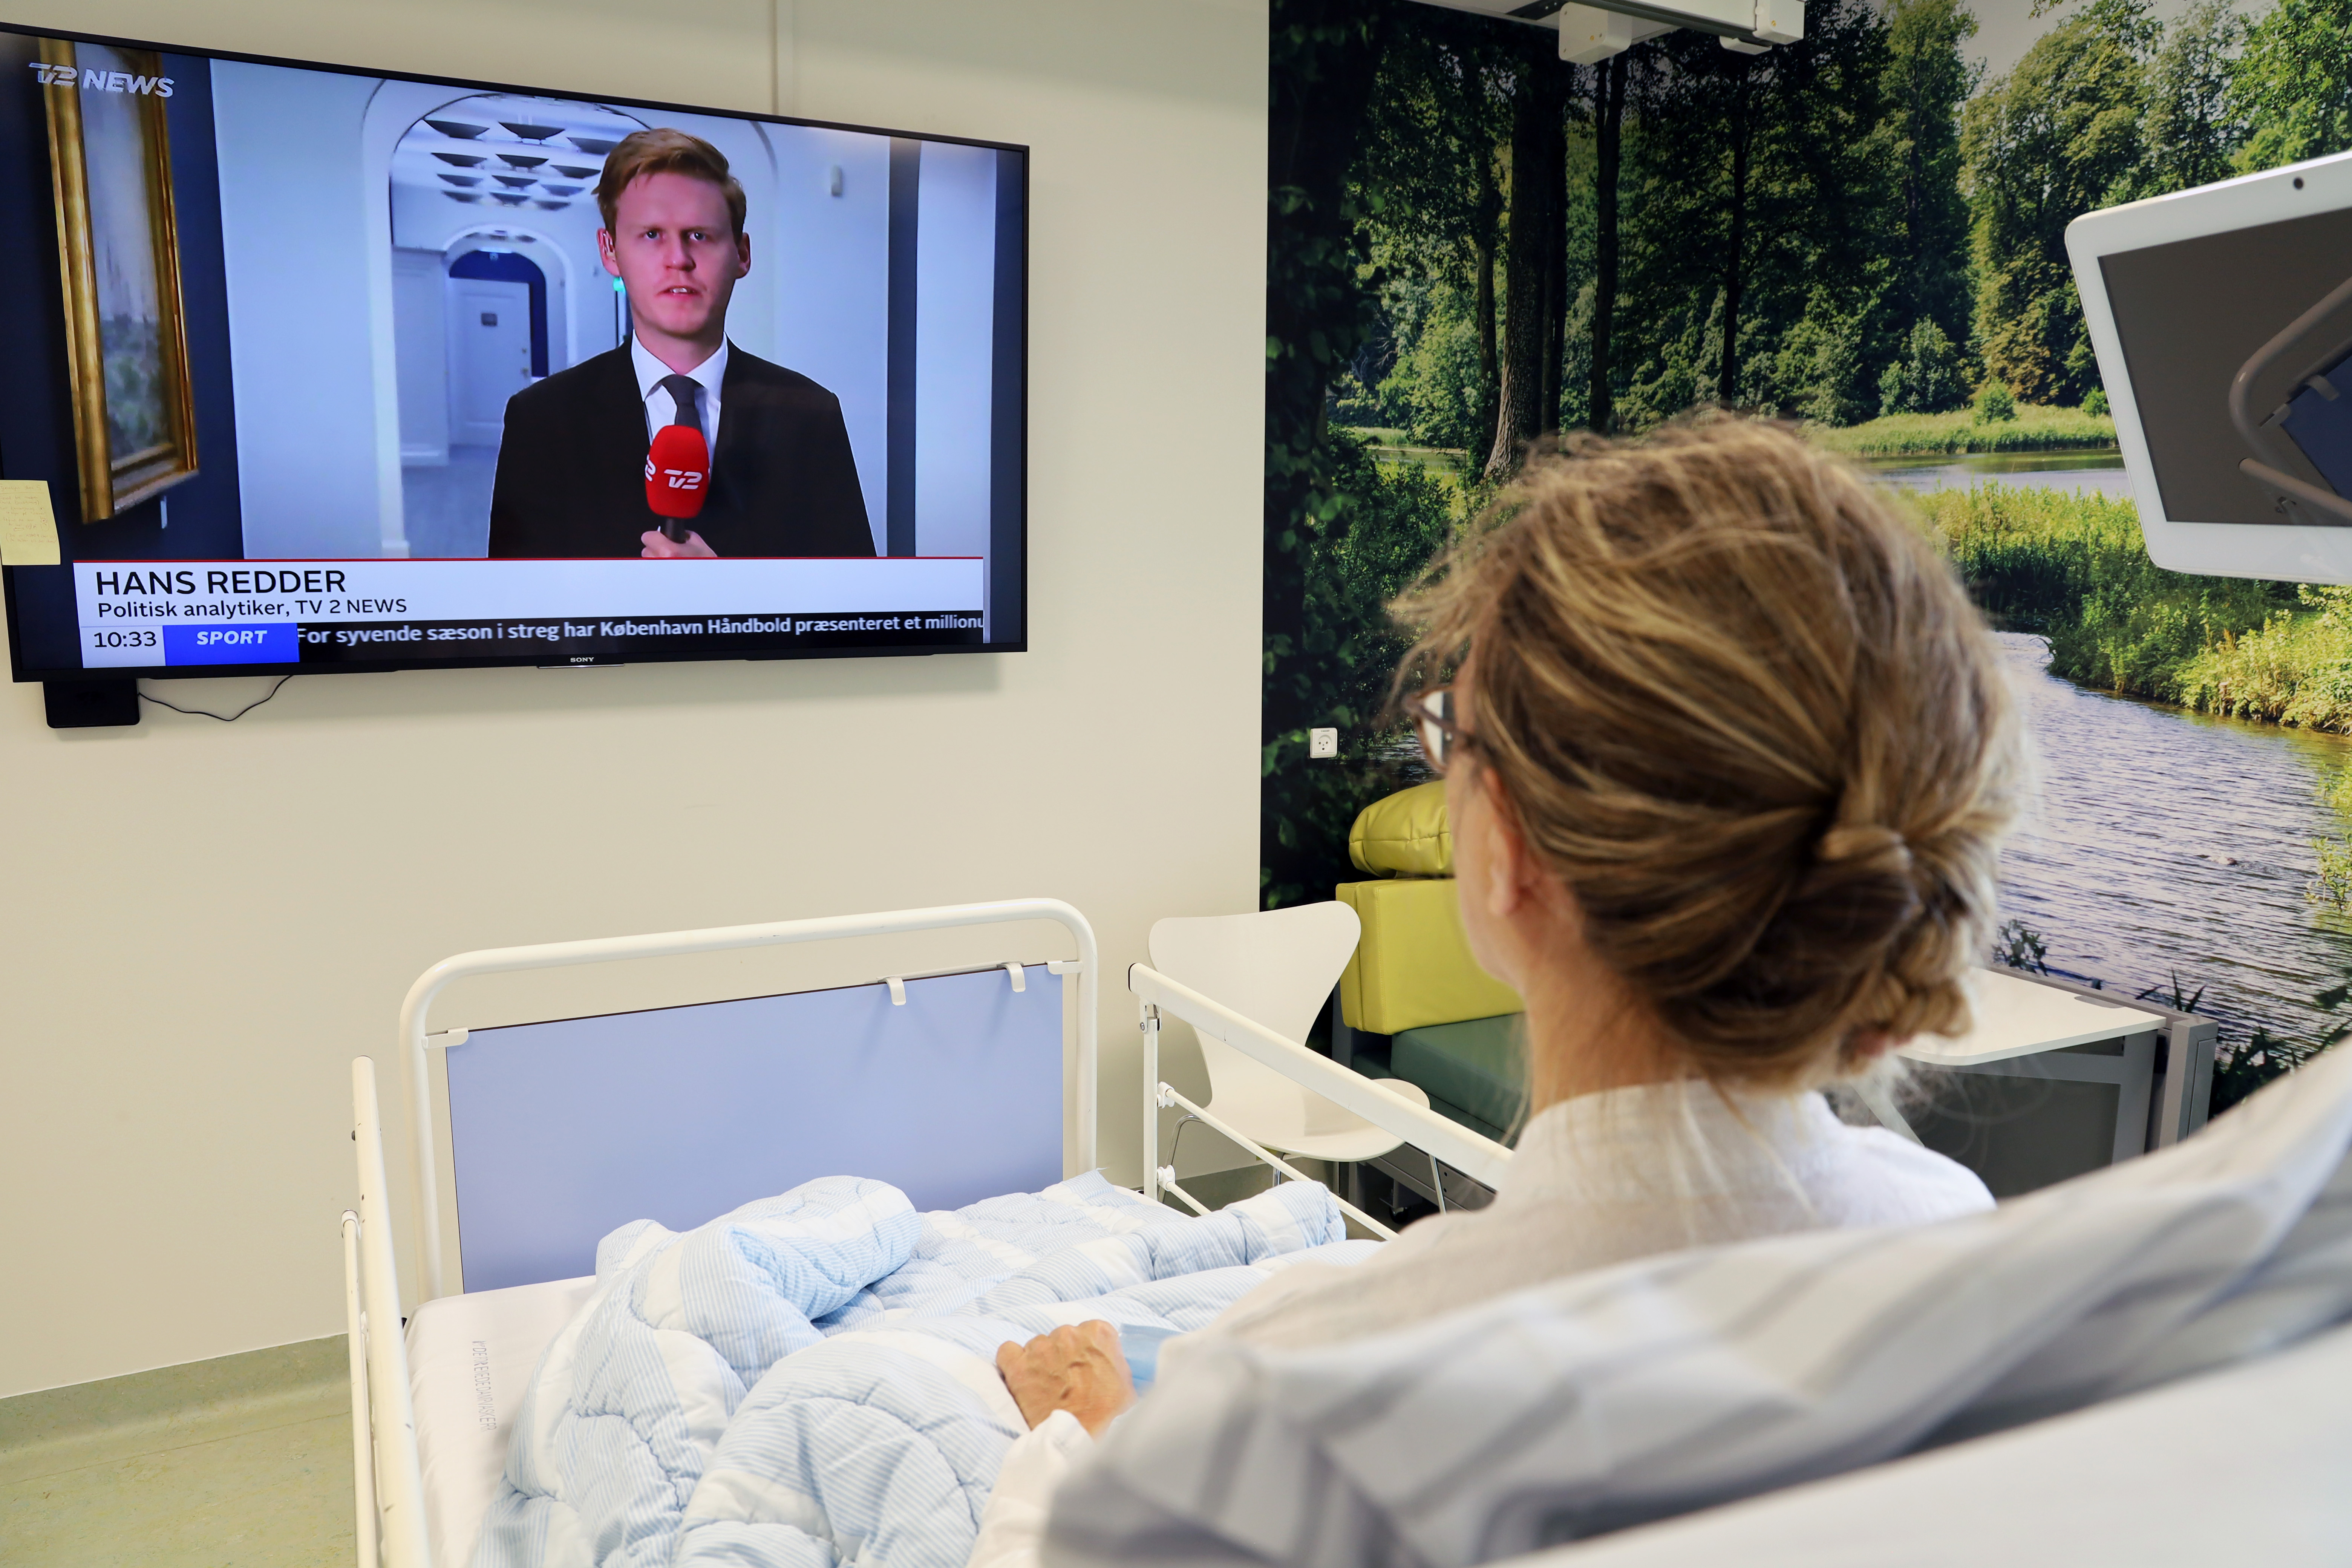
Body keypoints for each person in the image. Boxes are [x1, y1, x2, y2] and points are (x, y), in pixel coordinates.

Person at [972, 417, 2024, 1568]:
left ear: (1509, 848)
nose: (1440, 761)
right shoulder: (1957, 1242)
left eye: (1449, 734)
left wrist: (1084, 1445)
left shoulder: (1305, 1384)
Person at [486, 128, 874, 559]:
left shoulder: (811, 415)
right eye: (652, 235)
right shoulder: (540, 420)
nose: (679, 259)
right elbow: (516, 615)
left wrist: (731, 594)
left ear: (742, 254)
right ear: (610, 250)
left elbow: (853, 609)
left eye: (700, 235)